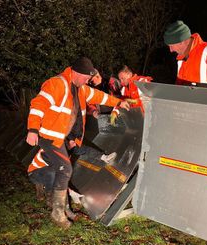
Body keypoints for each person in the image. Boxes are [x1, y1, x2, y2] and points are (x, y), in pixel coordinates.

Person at [26, 57, 130, 228]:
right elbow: (38, 104)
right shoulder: (57, 84)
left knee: (62, 171)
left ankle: (63, 208)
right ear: (76, 72)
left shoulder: (81, 89)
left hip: (62, 138)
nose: (87, 82)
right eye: (86, 78)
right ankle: (58, 212)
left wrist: (118, 102)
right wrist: (32, 129)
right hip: (49, 136)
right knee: (65, 168)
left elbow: (99, 97)